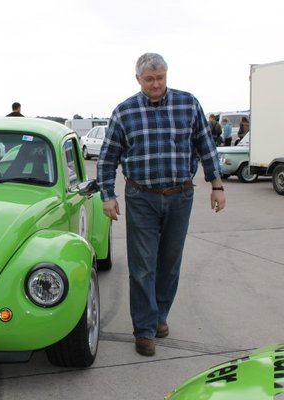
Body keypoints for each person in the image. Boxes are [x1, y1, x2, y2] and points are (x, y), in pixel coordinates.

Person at [97, 53, 226, 357]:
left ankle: (160, 316)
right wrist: (107, 195)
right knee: (142, 266)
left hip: (181, 196)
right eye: (149, 79)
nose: (156, 84)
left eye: (160, 78)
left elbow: (205, 146)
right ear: (138, 79)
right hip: (141, 197)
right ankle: (144, 329)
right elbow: (107, 158)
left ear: (167, 75)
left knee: (169, 263)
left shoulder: (188, 104)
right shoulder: (124, 112)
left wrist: (216, 185)